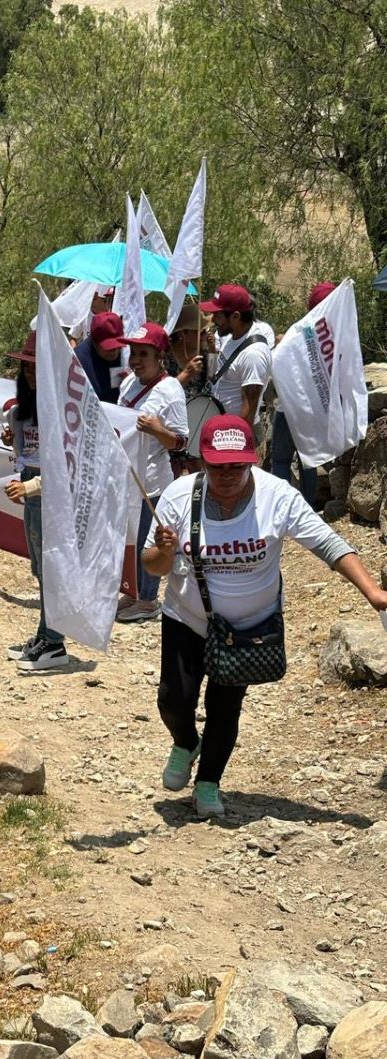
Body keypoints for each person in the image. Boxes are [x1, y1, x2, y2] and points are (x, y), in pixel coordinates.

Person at [144, 414, 387, 819]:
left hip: (249, 627)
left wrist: (374, 594)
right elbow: (153, 567)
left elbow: (328, 545)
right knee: (173, 698)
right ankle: (185, 741)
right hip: (187, 618)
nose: (226, 475)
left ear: (251, 460)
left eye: (236, 465)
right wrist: (165, 550)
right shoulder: (178, 496)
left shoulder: (278, 496)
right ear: (202, 462)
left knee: (226, 706)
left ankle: (208, 784)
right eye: (217, 466)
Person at [2, 331, 68, 672]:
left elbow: (64, 465)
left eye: (36, 368)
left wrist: (32, 487)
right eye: (26, 368)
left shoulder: (59, 410)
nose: (30, 374)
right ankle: (46, 632)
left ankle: (55, 641)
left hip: (48, 490)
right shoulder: (24, 409)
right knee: (39, 566)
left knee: (50, 566)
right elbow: (25, 453)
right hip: (32, 485)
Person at [114, 322, 189, 623]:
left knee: (149, 537)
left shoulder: (170, 390)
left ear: (159, 356)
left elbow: (181, 441)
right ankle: (132, 592)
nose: (136, 360)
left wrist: (159, 431)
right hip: (127, 477)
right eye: (133, 352)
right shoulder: (128, 384)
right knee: (130, 536)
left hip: (154, 481)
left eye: (143, 353)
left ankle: (148, 600)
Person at [269, 281, 335, 506]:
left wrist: (279, 343)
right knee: (308, 459)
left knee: (280, 460)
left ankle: (284, 507)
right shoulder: (335, 336)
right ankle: (307, 507)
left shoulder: (298, 331)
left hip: (288, 407)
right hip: (315, 408)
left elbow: (279, 362)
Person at [199, 284, 272, 428]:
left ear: (235, 316)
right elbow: (213, 376)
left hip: (235, 434)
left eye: (218, 315)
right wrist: (212, 350)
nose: (213, 320)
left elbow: (247, 415)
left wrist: (232, 447)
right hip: (220, 424)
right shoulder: (229, 335)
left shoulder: (253, 354)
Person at [168, 301, 222, 476]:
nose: (205, 335)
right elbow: (163, 391)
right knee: (173, 473)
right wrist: (186, 373)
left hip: (197, 421)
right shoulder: (166, 356)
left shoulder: (204, 354)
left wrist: (213, 351)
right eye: (200, 332)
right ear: (183, 333)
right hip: (173, 424)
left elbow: (212, 378)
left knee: (198, 475)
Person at [74, 311, 126, 403]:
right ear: (94, 342)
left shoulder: (126, 354)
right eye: (109, 348)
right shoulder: (78, 363)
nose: (115, 352)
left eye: (118, 346)